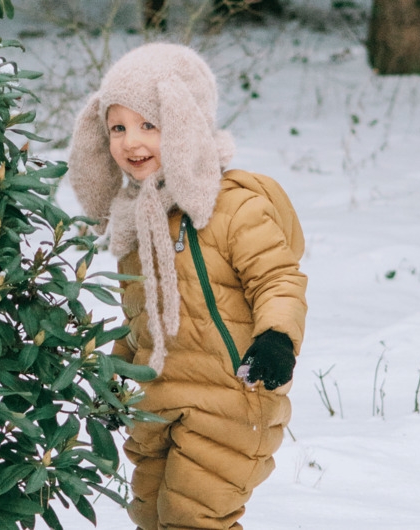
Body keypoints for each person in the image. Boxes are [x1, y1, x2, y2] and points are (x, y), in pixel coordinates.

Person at [68, 42, 308, 530]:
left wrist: (277, 338)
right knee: (152, 516)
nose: (131, 142)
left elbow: (278, 279)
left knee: (191, 519)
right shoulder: (137, 224)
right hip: (158, 405)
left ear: (184, 125)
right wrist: (115, 364)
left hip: (235, 400)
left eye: (149, 125)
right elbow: (145, 319)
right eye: (119, 127)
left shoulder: (233, 209)